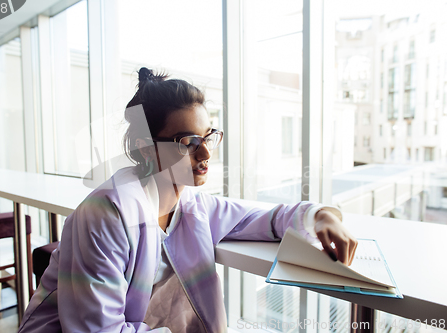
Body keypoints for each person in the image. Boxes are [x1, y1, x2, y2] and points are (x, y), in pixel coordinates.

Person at [18, 67, 357, 333]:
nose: (206, 152)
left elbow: (272, 218)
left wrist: (323, 216)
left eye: (209, 136)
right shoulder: (104, 215)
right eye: (188, 141)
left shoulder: (194, 207)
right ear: (144, 146)